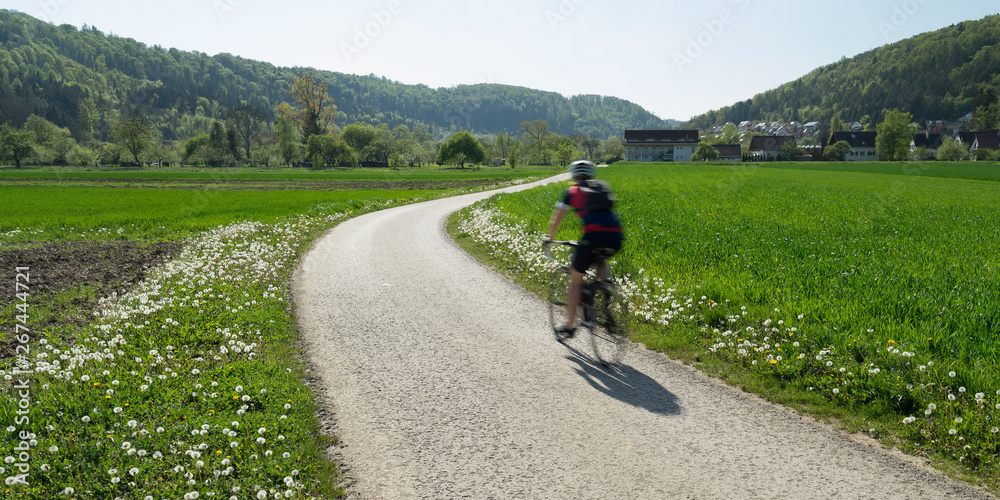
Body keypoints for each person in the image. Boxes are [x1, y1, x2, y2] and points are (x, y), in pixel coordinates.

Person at [543, 160, 623, 339]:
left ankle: (570, 327)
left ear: (573, 175)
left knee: (576, 279)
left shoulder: (572, 191)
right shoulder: (602, 187)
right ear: (591, 173)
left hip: (592, 236)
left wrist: (550, 238)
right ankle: (605, 294)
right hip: (616, 236)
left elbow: (556, 219)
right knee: (600, 259)